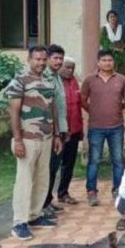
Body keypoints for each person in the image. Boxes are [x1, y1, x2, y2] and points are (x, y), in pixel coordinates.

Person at [7, 46, 63, 241]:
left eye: (43, 59)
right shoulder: (20, 80)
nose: (40, 62)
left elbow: (52, 107)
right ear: (29, 59)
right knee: (24, 180)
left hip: (46, 138)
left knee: (42, 178)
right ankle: (19, 222)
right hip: (27, 139)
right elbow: (13, 111)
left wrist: (56, 135)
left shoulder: (48, 80)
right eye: (37, 59)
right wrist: (18, 139)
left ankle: (34, 215)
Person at [81, 50, 125, 206]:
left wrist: (118, 110)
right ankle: (91, 192)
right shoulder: (89, 80)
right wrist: (93, 111)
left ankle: (118, 189)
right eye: (104, 60)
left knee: (118, 161)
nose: (108, 63)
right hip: (96, 127)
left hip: (117, 127)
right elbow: (83, 100)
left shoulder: (121, 79)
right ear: (98, 62)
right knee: (94, 161)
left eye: (110, 60)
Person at [43, 44, 69, 215]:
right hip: (49, 132)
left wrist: (64, 130)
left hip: (60, 129)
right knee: (47, 169)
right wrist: (55, 133)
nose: (59, 61)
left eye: (61, 58)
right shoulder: (44, 77)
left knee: (54, 168)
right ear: (48, 59)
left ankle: (47, 201)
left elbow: (60, 107)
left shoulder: (57, 77)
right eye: (55, 58)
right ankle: (41, 205)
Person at [56, 57, 83, 205]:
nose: (70, 70)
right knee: (53, 166)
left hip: (74, 130)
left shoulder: (74, 82)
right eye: (67, 67)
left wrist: (80, 130)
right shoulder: (55, 82)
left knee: (69, 164)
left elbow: (78, 106)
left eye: (72, 68)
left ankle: (63, 193)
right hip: (58, 132)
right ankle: (46, 200)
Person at [100, 10, 125, 75]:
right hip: (109, 54)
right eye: (111, 17)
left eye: (114, 16)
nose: (113, 18)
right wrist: (113, 49)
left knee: (120, 72)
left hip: (120, 54)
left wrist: (122, 48)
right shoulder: (104, 28)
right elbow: (103, 42)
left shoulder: (121, 28)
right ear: (108, 19)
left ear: (117, 18)